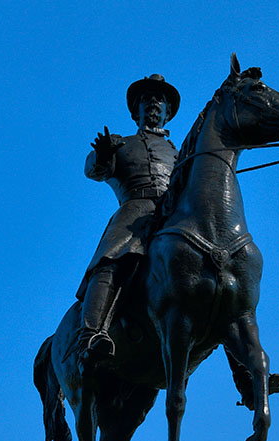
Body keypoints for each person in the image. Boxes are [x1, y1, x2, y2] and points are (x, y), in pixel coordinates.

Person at [75, 74, 180, 366]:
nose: (154, 103)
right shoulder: (120, 144)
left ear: (168, 112)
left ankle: (242, 370)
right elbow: (94, 169)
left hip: (173, 213)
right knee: (111, 260)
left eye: (160, 100)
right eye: (147, 99)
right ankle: (90, 335)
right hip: (134, 212)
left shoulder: (179, 153)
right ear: (136, 112)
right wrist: (102, 154)